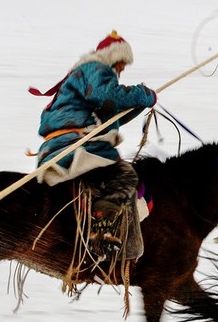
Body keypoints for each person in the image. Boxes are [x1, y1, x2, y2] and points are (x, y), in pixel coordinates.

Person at [32, 31, 157, 251]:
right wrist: (142, 94)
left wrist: (139, 104)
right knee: (124, 176)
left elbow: (109, 114)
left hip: (62, 145)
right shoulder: (95, 69)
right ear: (111, 57)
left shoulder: (83, 78)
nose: (122, 68)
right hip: (75, 146)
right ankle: (102, 233)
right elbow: (106, 95)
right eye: (121, 62)